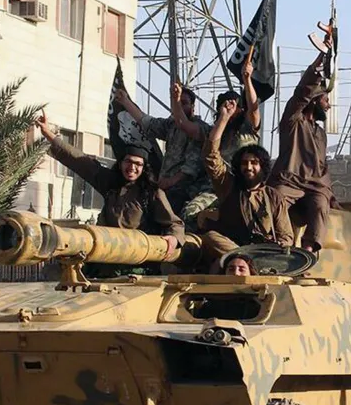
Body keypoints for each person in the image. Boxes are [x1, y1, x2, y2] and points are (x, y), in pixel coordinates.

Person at [35, 111, 185, 276]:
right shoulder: (110, 183)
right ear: (120, 163)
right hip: (103, 264)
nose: (132, 167)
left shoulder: (151, 193)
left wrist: (173, 239)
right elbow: (80, 161)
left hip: (136, 269)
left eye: (138, 164)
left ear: (143, 168)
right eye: (128, 161)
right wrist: (48, 134)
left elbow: (175, 224)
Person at [199, 99, 293, 269]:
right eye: (244, 163)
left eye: (254, 163)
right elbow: (210, 156)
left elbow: (286, 235)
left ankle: (252, 262)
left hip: (264, 252)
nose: (248, 167)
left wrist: (281, 243)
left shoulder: (273, 196)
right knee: (210, 237)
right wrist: (224, 118)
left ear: (262, 167)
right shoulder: (228, 185)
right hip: (231, 250)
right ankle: (246, 260)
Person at [268, 32, 338, 252]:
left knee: (320, 206)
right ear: (315, 100)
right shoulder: (293, 121)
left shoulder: (320, 133)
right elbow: (301, 92)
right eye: (326, 100)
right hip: (289, 180)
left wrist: (330, 194)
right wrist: (322, 59)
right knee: (273, 200)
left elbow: (322, 168)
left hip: (314, 186)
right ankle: (283, 244)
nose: (328, 106)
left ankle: (307, 252)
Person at [177, 56, 262, 222]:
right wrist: (224, 117)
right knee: (184, 208)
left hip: (240, 183)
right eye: (225, 105)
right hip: (214, 184)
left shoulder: (247, 129)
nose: (230, 110)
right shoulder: (216, 131)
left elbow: (254, 108)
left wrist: (247, 80)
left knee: (192, 212)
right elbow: (185, 125)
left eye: (234, 106)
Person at [114, 84, 212, 220]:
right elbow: (147, 122)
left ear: (193, 107)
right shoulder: (171, 126)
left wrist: (169, 182)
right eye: (177, 103)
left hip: (185, 191)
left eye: (184, 103)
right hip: (165, 187)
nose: (180, 107)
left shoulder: (201, 129)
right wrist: (125, 101)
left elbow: (191, 168)